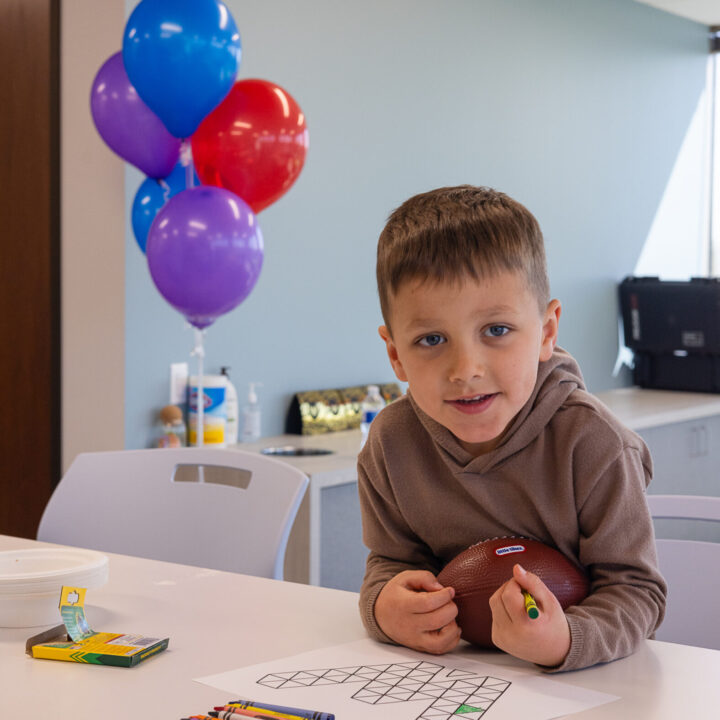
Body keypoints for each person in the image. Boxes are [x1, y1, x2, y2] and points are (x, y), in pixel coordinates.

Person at [358, 185, 666, 672]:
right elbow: (391, 564)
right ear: (395, 353)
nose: (466, 368)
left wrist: (567, 639)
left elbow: (637, 592)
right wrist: (384, 607)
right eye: (431, 339)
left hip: (580, 688)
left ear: (546, 332)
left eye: (496, 330)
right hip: (452, 679)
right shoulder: (390, 444)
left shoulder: (593, 445)